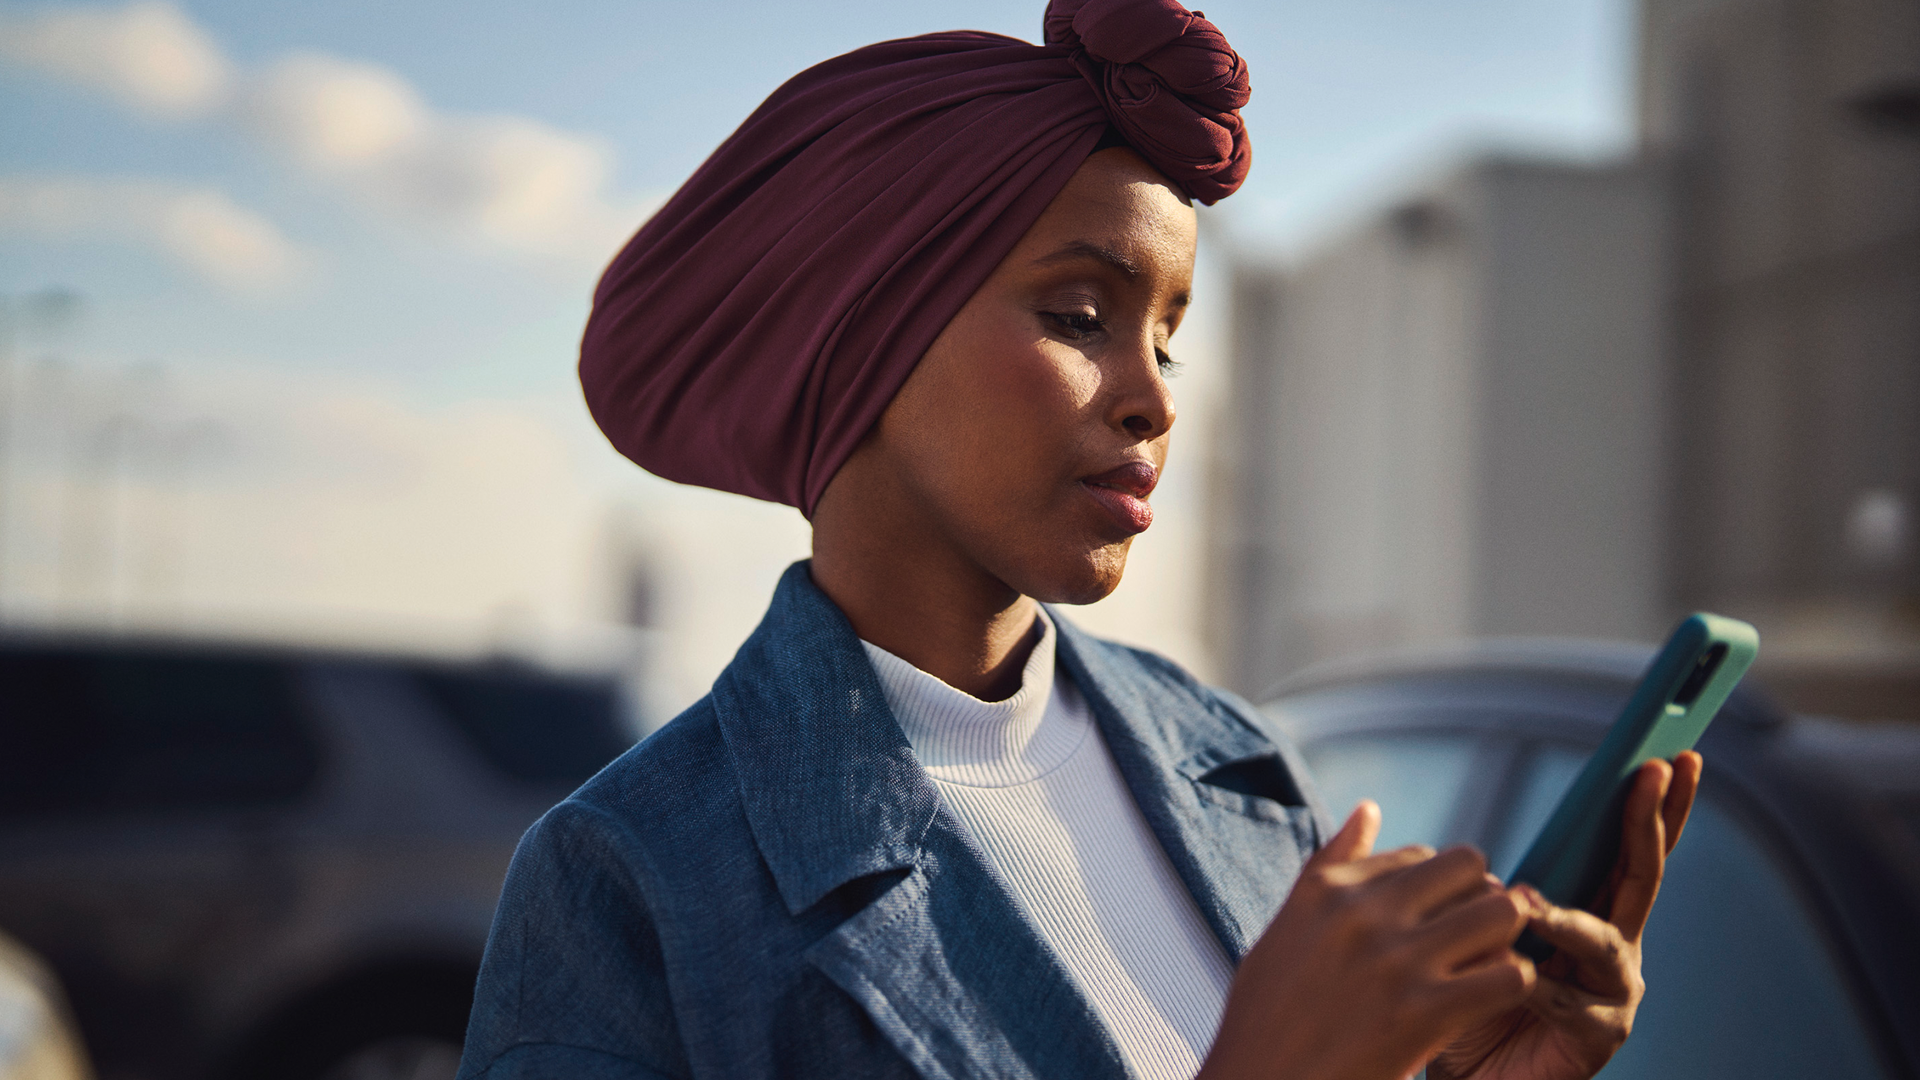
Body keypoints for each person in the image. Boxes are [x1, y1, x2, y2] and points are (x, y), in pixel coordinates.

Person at [458, 2, 1702, 1078]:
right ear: (862, 337)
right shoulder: (630, 878)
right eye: (1080, 313)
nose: (1156, 396)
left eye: (1168, 334)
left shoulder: (1237, 763)